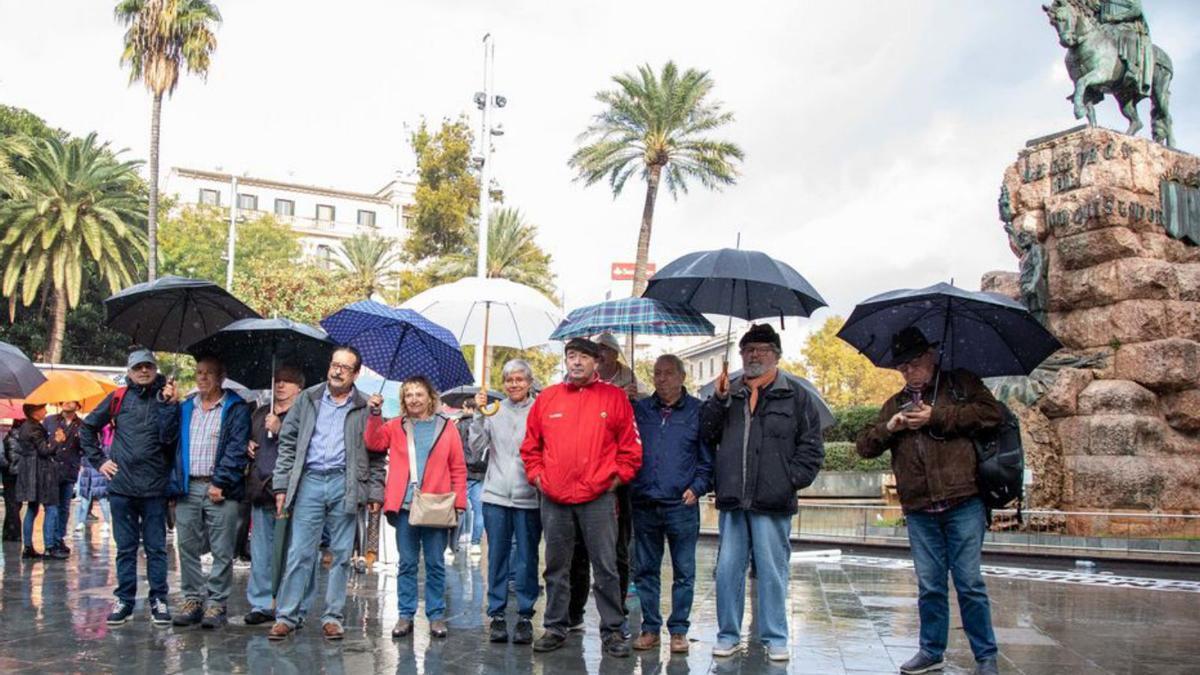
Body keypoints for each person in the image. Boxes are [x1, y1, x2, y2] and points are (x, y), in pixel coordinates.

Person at [856, 327, 1004, 675]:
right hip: (920, 507)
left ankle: (986, 656)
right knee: (930, 585)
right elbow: (864, 446)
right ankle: (931, 650)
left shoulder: (959, 384)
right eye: (902, 367)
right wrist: (890, 428)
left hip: (962, 499)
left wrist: (936, 416)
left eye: (914, 363)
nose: (909, 372)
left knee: (969, 582)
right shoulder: (894, 404)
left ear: (931, 357)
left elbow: (991, 414)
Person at [701, 324, 825, 662]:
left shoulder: (797, 397)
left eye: (762, 349)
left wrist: (788, 480)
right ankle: (727, 634)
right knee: (727, 570)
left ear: (777, 355)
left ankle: (775, 637)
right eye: (748, 349)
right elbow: (706, 434)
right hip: (733, 499)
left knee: (772, 571)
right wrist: (719, 400)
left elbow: (812, 449)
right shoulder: (729, 392)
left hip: (773, 501)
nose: (754, 355)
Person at [521, 337, 642, 657]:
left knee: (606, 566)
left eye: (583, 357)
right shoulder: (547, 398)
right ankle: (556, 626)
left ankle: (613, 629)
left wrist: (615, 481)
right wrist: (538, 478)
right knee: (557, 567)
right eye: (571, 356)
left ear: (596, 362)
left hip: (599, 497)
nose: (576, 362)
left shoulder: (615, 398)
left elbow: (631, 448)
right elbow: (530, 447)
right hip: (555, 497)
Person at [268, 346, 386, 641]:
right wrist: (281, 485)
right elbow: (288, 442)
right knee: (299, 552)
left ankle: (332, 617)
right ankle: (287, 616)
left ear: (356, 374)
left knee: (342, 554)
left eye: (345, 368)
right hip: (309, 480)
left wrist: (374, 492)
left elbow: (376, 454)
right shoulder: (308, 398)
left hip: (345, 483)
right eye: (334, 365)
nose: (337, 371)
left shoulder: (363, 406)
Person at [80, 349, 180, 626]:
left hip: (155, 489)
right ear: (130, 371)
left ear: (156, 369)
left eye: (148, 366)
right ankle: (124, 598)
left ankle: (159, 599)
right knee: (125, 548)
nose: (144, 371)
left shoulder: (168, 398)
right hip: (122, 488)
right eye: (138, 367)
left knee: (156, 548)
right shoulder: (117, 398)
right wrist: (100, 461)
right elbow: (87, 429)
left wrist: (169, 406)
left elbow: (170, 438)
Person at [365, 375, 466, 640]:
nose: (413, 399)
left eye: (419, 394)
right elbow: (373, 442)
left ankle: (435, 616)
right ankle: (405, 614)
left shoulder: (446, 427)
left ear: (430, 397)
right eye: (408, 394)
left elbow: (457, 467)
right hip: (405, 506)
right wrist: (375, 412)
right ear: (402, 399)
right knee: (407, 563)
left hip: (436, 505)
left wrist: (460, 503)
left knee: (435, 563)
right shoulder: (396, 425)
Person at [630, 354, 712, 655]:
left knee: (684, 571)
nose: (661, 378)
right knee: (646, 570)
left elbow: (707, 461)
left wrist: (698, 488)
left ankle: (679, 630)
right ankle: (650, 628)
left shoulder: (697, 412)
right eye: (656, 373)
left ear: (682, 377)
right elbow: (626, 446)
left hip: (682, 504)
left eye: (667, 373)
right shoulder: (640, 410)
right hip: (645, 502)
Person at [167, 355, 251, 629]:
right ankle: (192, 599)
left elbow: (237, 449)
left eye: (209, 373)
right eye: (199, 373)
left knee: (222, 548)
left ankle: (217, 602)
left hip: (220, 488)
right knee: (187, 545)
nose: (202, 378)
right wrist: (165, 404)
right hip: (187, 486)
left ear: (221, 377)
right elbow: (166, 439)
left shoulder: (235, 408)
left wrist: (220, 482)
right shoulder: (184, 408)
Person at [568, 331, 643, 630]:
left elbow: (631, 442)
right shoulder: (569, 387)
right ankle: (573, 612)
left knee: (614, 551)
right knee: (576, 553)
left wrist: (617, 478)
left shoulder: (627, 386)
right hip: (575, 484)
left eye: (603, 351)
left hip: (611, 484)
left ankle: (614, 614)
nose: (600, 356)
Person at [467, 359, 541, 645]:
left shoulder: (539, 410)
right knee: (496, 555)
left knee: (526, 558)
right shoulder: (493, 410)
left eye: (520, 379)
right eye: (509, 379)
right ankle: (496, 614)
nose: (514, 384)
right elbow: (476, 450)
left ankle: (524, 615)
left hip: (529, 496)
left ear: (530, 382)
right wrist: (478, 416)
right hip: (496, 495)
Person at [244, 366, 318, 626]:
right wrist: (248, 444)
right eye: (277, 380)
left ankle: (293, 605)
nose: (280, 385)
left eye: (288, 381)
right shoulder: (262, 413)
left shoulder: (307, 414)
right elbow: (250, 439)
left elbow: (310, 449)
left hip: (295, 493)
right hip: (262, 490)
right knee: (262, 553)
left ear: (299, 387)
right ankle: (262, 603)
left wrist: (281, 428)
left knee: (295, 553)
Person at [13, 403, 61, 559]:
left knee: (32, 509)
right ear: (34, 412)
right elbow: (44, 450)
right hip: (41, 472)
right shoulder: (34, 427)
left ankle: (27, 547)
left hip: (30, 471)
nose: (45, 411)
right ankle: (49, 547)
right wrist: (56, 440)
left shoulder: (25, 426)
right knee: (51, 508)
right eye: (42, 408)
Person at [44, 401, 84, 558]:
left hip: (69, 469)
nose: (67, 402)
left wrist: (81, 440)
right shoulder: (50, 420)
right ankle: (51, 543)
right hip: (51, 469)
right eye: (65, 399)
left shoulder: (81, 424)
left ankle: (59, 538)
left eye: (72, 400)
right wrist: (55, 440)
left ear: (78, 405)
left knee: (64, 508)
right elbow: (42, 444)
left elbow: (85, 447)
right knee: (51, 507)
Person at [456, 396, 485, 559]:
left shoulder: (459, 425)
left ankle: (455, 542)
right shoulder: (484, 423)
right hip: (480, 472)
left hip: (463, 472)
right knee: (479, 511)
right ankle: (475, 544)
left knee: (459, 508)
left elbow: (456, 449)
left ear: (466, 407)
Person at [2, 422, 24, 541]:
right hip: (15, 475)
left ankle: (8, 533)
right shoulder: (19, 438)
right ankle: (14, 534)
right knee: (14, 504)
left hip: (10, 475)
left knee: (12, 504)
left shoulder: (9, 437)